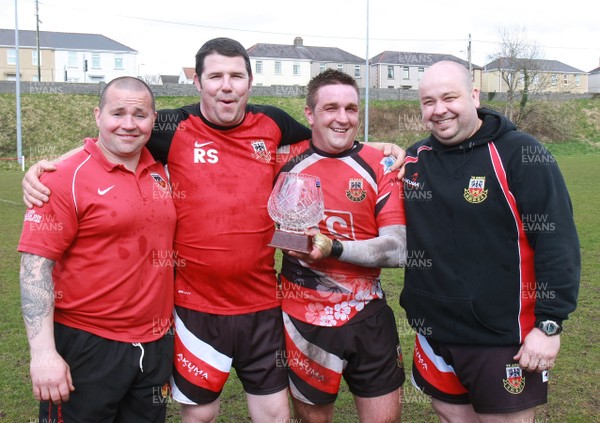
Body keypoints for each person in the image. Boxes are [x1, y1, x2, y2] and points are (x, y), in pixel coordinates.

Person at [21, 38, 405, 422]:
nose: (226, 85)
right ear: (198, 83)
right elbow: (116, 134)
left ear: (249, 83)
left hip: (262, 304)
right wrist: (49, 165)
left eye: (236, 76)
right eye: (216, 75)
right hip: (193, 308)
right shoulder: (171, 125)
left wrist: (377, 147)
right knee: (200, 415)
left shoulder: (272, 122)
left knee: (275, 414)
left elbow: (329, 136)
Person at [399, 60, 580, 422]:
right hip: (435, 334)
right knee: (450, 414)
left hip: (501, 339)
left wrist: (549, 325)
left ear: (474, 96)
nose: (439, 110)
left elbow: (557, 242)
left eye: (450, 97)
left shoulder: (520, 154)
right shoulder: (415, 158)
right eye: (428, 102)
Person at [17, 76, 176, 422]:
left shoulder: (162, 168)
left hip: (156, 344)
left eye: (140, 115)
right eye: (117, 113)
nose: (129, 125)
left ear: (154, 119)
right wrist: (43, 354)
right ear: (97, 115)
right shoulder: (62, 177)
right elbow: (34, 268)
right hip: (87, 345)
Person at [274, 69, 407, 423]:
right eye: (331, 108)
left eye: (351, 108)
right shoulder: (281, 159)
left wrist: (333, 248)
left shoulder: (382, 164)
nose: (343, 118)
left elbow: (398, 249)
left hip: (368, 316)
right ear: (309, 114)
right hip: (304, 319)